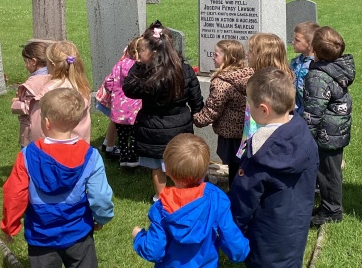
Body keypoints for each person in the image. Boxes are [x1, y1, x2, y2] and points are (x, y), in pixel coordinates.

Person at [1, 88, 114, 268]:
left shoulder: (27, 156)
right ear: (77, 122)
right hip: (78, 232)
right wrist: (102, 218)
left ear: (46, 122)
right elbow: (100, 196)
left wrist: (9, 225)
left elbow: (14, 194)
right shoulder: (90, 156)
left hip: (41, 235)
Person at [230, 67, 318, 268]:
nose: (248, 107)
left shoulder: (259, 155)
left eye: (249, 103)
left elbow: (243, 201)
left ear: (263, 109)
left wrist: (233, 231)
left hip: (265, 235)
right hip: (295, 227)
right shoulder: (304, 136)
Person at [132, 133, 249, 268]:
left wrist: (139, 236)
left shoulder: (162, 208)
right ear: (205, 169)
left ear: (167, 170)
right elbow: (234, 243)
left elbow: (153, 251)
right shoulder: (215, 198)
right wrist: (242, 250)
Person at [123, 25, 203, 201]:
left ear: (153, 53)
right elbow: (195, 96)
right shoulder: (185, 69)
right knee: (180, 161)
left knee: (157, 165)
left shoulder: (147, 73)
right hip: (180, 125)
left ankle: (160, 198)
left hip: (153, 127)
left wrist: (138, 65)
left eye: (142, 50)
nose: (139, 54)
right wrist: (197, 112)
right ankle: (185, 195)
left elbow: (128, 88)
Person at [303, 26, 355, 226]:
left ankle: (332, 210)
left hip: (326, 133)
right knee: (330, 170)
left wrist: (306, 137)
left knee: (328, 173)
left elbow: (314, 111)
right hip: (336, 128)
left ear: (314, 49)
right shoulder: (335, 67)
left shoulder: (318, 76)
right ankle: (328, 205)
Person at [193, 39, 253, 186]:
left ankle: (235, 193)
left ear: (228, 58)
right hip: (247, 131)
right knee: (243, 167)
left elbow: (212, 109)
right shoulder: (250, 75)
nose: (213, 57)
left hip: (230, 133)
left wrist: (196, 118)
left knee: (234, 167)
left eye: (216, 54)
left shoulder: (222, 83)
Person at [236, 33, 294, 158]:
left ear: (262, 56)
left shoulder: (269, 83)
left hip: (265, 140)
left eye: (251, 51)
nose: (246, 54)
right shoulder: (275, 78)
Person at [29, 41, 92, 143]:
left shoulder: (49, 92)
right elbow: (85, 125)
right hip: (79, 147)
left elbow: (37, 129)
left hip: (52, 149)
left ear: (53, 65)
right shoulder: (82, 87)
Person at [103, 36, 143, 167]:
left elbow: (108, 81)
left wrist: (114, 92)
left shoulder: (119, 64)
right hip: (135, 108)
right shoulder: (140, 67)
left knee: (122, 136)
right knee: (134, 135)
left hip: (118, 108)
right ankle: (133, 159)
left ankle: (123, 158)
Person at [10, 41, 50, 148]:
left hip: (32, 130)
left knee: (30, 156)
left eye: (25, 61)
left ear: (33, 61)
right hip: (51, 128)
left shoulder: (31, 83)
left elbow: (26, 108)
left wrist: (16, 102)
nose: (25, 65)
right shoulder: (54, 76)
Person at [289, 21, 320, 116]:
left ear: (310, 44)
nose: (293, 42)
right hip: (294, 112)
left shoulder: (316, 65)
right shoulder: (295, 63)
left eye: (297, 40)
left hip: (310, 114)